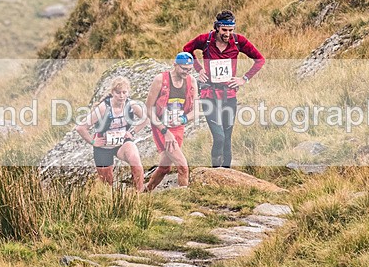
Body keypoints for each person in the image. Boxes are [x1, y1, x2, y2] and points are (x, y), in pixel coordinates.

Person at [183, 10, 265, 168]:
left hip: (229, 95)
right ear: (217, 28)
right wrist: (199, 69)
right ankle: (215, 171)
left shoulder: (239, 41)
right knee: (219, 136)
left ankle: (227, 172)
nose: (227, 34)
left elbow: (259, 60)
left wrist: (244, 79)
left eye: (231, 30)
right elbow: (186, 49)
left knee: (227, 137)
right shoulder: (205, 40)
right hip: (209, 95)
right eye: (224, 30)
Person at [75, 76, 148, 190]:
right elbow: (81, 128)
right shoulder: (104, 108)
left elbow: (147, 118)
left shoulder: (131, 105)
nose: (122, 96)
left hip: (122, 143)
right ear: (112, 92)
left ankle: (139, 196)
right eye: (118, 92)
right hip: (103, 147)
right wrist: (93, 142)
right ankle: (110, 203)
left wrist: (132, 132)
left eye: (124, 92)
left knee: (135, 161)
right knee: (107, 183)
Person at [144, 52, 198, 192]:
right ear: (175, 65)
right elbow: (149, 110)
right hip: (161, 127)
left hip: (178, 127)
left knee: (165, 167)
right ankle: (184, 200)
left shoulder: (191, 81)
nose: (186, 72)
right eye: (183, 69)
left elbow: (196, 111)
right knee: (182, 166)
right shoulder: (160, 80)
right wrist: (165, 131)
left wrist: (183, 119)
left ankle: (145, 191)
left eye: (189, 69)